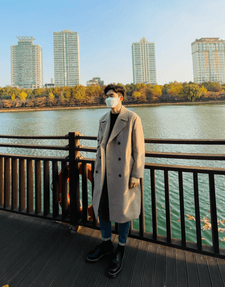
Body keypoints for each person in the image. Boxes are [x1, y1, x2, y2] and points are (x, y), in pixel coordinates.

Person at [86, 84, 145, 278]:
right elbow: (99, 146)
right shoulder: (103, 120)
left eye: (111, 95)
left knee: (123, 212)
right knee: (103, 210)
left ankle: (120, 248)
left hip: (123, 175)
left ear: (121, 98)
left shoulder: (132, 118)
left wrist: (136, 174)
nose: (108, 98)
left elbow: (139, 149)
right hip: (103, 174)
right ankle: (105, 244)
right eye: (106, 96)